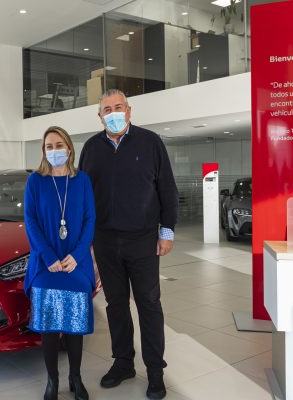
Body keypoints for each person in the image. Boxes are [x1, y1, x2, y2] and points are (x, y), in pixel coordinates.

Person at [79, 89, 178, 400]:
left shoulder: (150, 143)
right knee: (116, 305)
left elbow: (167, 188)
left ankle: (155, 372)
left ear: (129, 111)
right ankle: (123, 363)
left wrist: (167, 232)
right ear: (99, 116)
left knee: (149, 305)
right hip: (105, 241)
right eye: (106, 109)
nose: (113, 112)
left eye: (118, 106)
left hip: (143, 239)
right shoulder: (92, 148)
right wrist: (86, 238)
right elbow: (84, 195)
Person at [24, 126, 97, 400]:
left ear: (69, 147)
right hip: (46, 264)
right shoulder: (35, 181)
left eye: (58, 145)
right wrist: (49, 256)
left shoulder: (83, 181)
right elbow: (30, 221)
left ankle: (75, 377)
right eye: (49, 146)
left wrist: (77, 256)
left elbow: (90, 220)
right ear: (43, 151)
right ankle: (52, 380)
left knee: (75, 325)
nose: (54, 151)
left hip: (75, 263)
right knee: (50, 326)